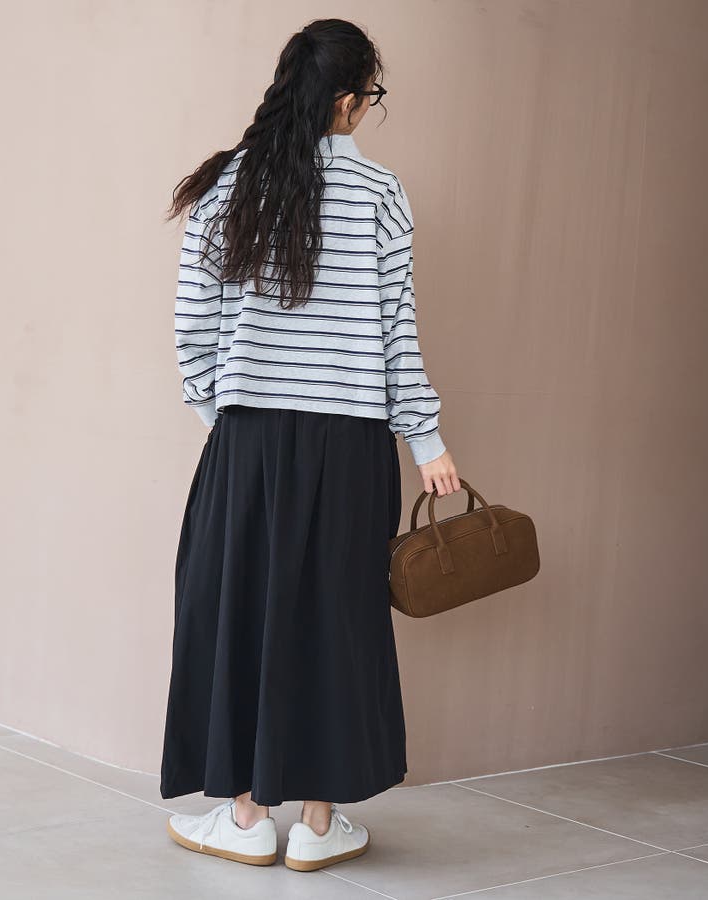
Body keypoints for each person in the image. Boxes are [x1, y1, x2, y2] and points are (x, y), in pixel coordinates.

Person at [160, 17, 460, 872]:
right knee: (336, 619)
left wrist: (225, 414)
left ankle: (246, 818)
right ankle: (320, 827)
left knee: (237, 611)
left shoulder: (228, 186)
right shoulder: (382, 195)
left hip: (250, 440)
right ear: (347, 101)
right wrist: (427, 440)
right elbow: (398, 334)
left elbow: (193, 326)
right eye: (370, 95)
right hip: (352, 445)